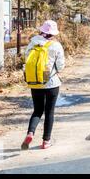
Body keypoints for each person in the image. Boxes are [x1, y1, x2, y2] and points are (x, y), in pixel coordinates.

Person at [21, 20, 65, 150]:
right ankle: (46, 141)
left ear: (42, 31)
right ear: (53, 33)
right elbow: (61, 66)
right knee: (49, 112)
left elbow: (26, 60)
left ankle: (30, 132)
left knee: (37, 110)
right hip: (51, 82)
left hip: (35, 82)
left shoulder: (32, 43)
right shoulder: (56, 45)